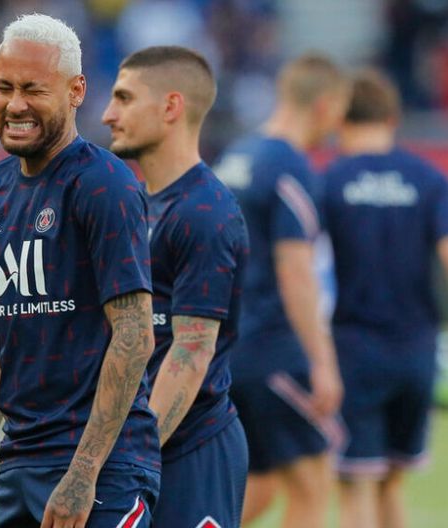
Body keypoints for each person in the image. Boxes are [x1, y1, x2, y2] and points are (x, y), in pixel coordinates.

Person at [0, 13, 161, 528]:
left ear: (75, 91)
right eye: (4, 88)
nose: (15, 104)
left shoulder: (104, 184)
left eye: (33, 90)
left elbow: (135, 334)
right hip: (19, 465)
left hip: (105, 471)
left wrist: (83, 474)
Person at [102, 45, 250, 528]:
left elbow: (190, 354)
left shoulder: (205, 212)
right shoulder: (137, 205)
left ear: (170, 107)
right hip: (140, 452)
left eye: (124, 98)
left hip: (191, 455)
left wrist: (125, 457)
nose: (108, 115)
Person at [213, 53, 350, 528]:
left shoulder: (237, 157)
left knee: (261, 485)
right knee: (313, 486)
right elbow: (296, 271)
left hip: (228, 349)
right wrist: (322, 362)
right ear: (325, 104)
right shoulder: (291, 166)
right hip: (273, 349)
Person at [322, 70, 448, 528]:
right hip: (416, 349)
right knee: (393, 483)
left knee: (356, 485)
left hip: (352, 351)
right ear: (393, 118)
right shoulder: (428, 179)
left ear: (339, 119)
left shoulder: (330, 181)